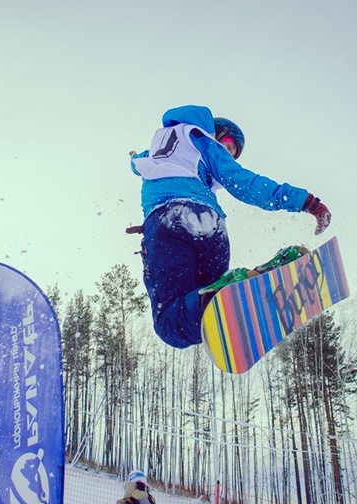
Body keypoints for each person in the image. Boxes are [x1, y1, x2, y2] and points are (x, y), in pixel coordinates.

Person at [129, 105, 332, 348]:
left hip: (169, 223)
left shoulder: (160, 145)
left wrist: (132, 159)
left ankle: (236, 284)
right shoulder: (203, 140)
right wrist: (304, 201)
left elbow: (138, 163)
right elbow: (245, 183)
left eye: (232, 151)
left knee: (173, 324)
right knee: (212, 306)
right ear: (213, 132)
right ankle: (269, 270)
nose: (226, 150)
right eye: (226, 143)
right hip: (212, 228)